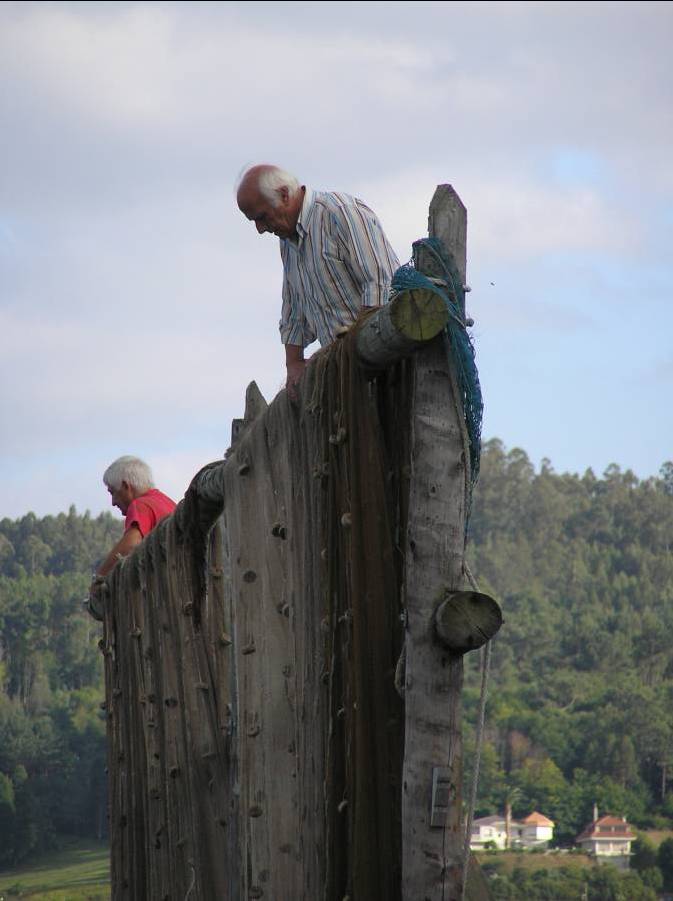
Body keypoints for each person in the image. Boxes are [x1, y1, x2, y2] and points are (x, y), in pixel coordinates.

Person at [236, 164, 399, 391]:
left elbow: (381, 285)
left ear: (284, 195)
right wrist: (293, 363)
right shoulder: (287, 242)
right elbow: (293, 312)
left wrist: (354, 348)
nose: (260, 229)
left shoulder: (339, 213)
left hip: (387, 363)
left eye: (262, 217)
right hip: (349, 373)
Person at [87, 456, 176, 618]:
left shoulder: (141, 504)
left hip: (162, 601)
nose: (113, 502)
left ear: (126, 486)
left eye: (113, 493)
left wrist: (99, 578)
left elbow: (132, 543)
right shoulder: (167, 502)